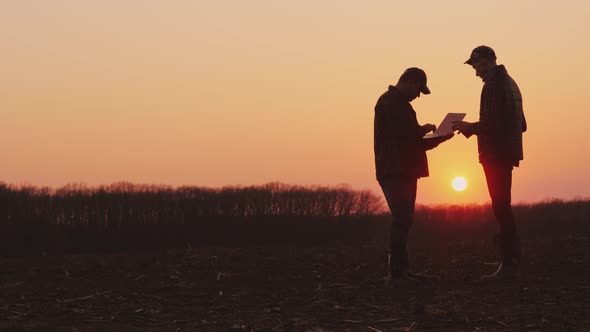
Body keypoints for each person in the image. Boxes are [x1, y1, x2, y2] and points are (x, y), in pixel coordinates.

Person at [453, 46, 527, 279]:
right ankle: (510, 259)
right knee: (502, 204)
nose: (475, 72)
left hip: (495, 153)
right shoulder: (511, 83)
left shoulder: (493, 86)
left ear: (486, 61)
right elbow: (521, 124)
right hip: (507, 152)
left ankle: (509, 262)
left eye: (476, 66)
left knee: (501, 206)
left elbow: (492, 124)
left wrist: (468, 128)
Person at [374, 67, 453, 282]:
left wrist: (441, 137)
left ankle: (401, 270)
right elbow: (404, 135)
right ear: (410, 81)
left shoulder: (400, 105)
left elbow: (414, 143)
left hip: (405, 169)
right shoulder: (389, 102)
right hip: (394, 169)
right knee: (402, 219)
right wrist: (424, 129)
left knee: (405, 220)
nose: (418, 95)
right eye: (419, 89)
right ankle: (396, 273)